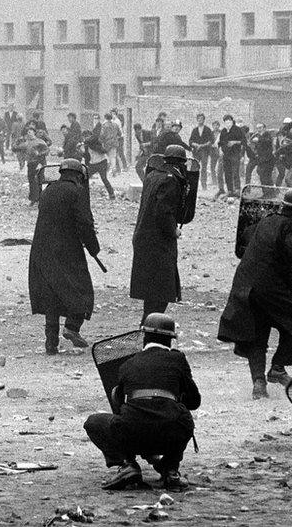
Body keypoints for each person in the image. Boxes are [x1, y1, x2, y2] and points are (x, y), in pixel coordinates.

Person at [218, 189, 292, 398]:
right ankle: (278, 368)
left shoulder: (265, 221)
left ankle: (259, 383)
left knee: (257, 334)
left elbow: (245, 235)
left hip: (245, 285)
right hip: (268, 286)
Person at [83, 313, 201, 491]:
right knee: (183, 419)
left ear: (144, 337)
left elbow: (118, 405)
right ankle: (171, 469)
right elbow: (194, 401)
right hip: (170, 434)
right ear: (170, 340)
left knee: (93, 422)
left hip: (133, 434)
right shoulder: (178, 359)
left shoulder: (128, 364)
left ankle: (126, 464)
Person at [29, 158, 100, 354]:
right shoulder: (77, 192)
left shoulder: (48, 190)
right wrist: (94, 248)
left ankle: (51, 342)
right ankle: (72, 327)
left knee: (52, 294)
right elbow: (85, 223)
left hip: (41, 250)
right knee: (81, 289)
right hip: (67, 250)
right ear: (79, 176)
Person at [130, 145, 198, 323]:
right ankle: (148, 331)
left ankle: (146, 326)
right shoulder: (171, 180)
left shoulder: (153, 175)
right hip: (158, 242)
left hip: (144, 238)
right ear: (181, 163)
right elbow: (163, 211)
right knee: (161, 293)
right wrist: (173, 230)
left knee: (151, 293)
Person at [14, 127, 50, 206]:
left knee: (39, 180)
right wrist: (16, 142)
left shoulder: (40, 141)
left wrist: (39, 154)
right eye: (27, 132)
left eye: (30, 132)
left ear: (34, 132)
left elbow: (47, 150)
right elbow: (17, 148)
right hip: (30, 164)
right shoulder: (26, 143)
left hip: (39, 163)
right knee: (31, 181)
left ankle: (39, 199)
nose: (28, 133)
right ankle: (33, 199)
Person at [81, 129, 116, 200]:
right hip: (93, 164)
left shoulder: (94, 141)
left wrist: (84, 142)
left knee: (104, 178)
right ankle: (82, 194)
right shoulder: (87, 145)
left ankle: (111, 194)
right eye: (84, 137)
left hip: (102, 162)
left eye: (86, 136)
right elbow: (87, 156)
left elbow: (92, 140)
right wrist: (81, 152)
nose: (85, 138)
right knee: (85, 177)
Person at [216, 115, 244, 198]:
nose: (228, 122)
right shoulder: (224, 131)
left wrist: (234, 142)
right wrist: (221, 149)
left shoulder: (238, 130)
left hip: (235, 154)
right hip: (226, 155)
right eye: (226, 121)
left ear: (232, 121)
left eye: (229, 120)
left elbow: (244, 141)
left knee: (235, 172)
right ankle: (230, 190)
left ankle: (237, 190)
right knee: (227, 173)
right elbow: (220, 142)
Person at [189, 114, 214, 190]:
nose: (200, 120)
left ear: (204, 120)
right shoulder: (195, 130)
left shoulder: (207, 129)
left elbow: (211, 141)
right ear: (197, 120)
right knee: (194, 167)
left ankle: (204, 185)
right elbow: (190, 141)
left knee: (203, 168)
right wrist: (195, 144)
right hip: (196, 152)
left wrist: (203, 145)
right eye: (199, 119)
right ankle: (193, 185)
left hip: (204, 151)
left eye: (202, 119)